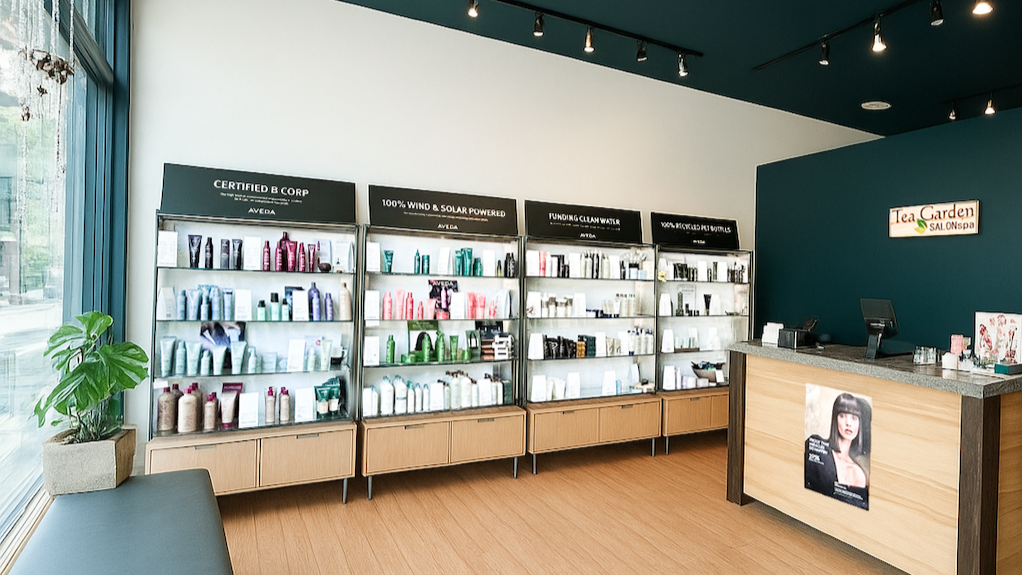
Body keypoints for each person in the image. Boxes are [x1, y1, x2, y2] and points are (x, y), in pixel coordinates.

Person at [805, 392, 870, 509]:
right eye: (842, 415)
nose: (848, 423)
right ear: (835, 418)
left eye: (854, 418)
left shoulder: (859, 474)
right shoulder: (817, 446)